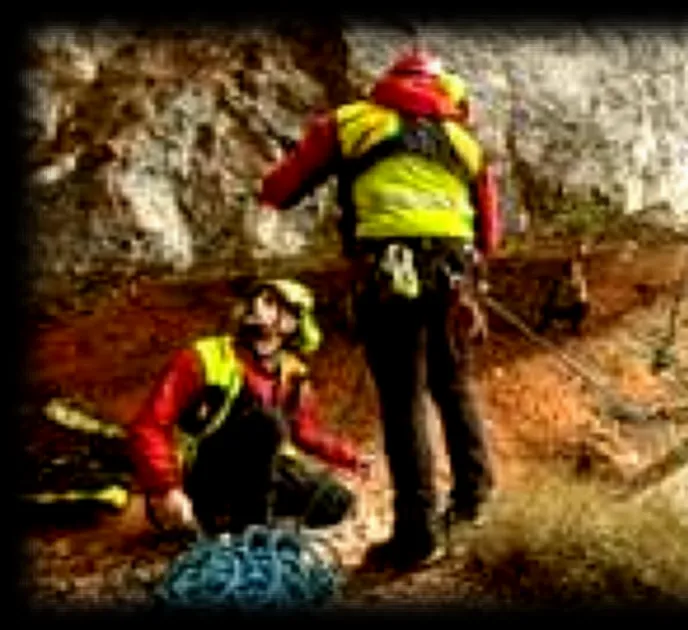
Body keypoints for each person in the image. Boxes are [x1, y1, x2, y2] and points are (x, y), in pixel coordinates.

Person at [257, 48, 501, 571]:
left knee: (404, 400)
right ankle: (475, 506)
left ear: (386, 83)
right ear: (445, 91)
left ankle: (418, 536)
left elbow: (278, 191)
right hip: (454, 278)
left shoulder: (349, 123)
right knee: (454, 387)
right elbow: (491, 234)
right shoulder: (465, 140)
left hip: (388, 274)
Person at [127, 279, 370, 535]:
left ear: (290, 323)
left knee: (335, 501)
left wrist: (351, 458)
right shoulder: (203, 358)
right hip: (204, 473)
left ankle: (240, 519)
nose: (255, 304)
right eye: (255, 298)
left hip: (262, 476)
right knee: (266, 424)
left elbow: (305, 431)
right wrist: (167, 488)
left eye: (270, 302)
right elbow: (149, 425)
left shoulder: (294, 374)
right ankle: (249, 531)